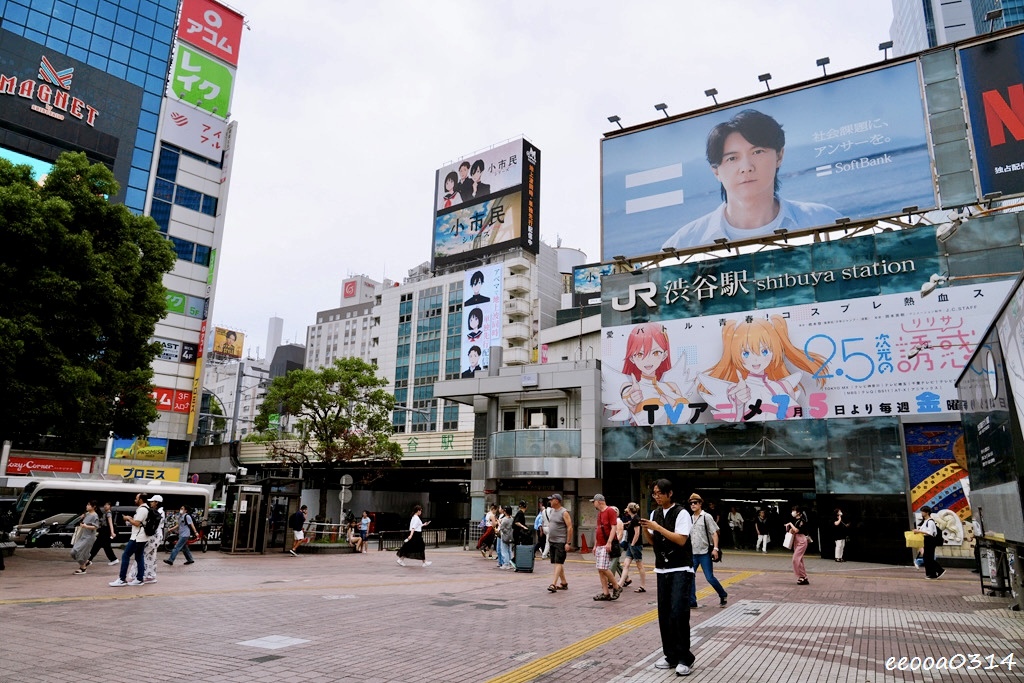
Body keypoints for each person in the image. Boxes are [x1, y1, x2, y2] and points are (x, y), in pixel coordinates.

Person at [662, 108, 840, 250]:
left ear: (779, 156)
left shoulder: (823, 220)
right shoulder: (684, 243)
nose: (746, 167)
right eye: (732, 158)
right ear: (716, 171)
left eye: (757, 152)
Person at [698, 315, 829, 422]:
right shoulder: (736, 390)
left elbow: (795, 418)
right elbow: (735, 425)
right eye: (746, 353)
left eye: (764, 351)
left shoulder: (784, 387)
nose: (755, 360)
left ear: (774, 350)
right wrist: (739, 403)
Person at [641, 478, 696, 677]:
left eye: (659, 493)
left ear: (670, 493)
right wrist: (645, 529)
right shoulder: (655, 513)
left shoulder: (682, 513)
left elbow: (681, 539)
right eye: (654, 494)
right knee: (664, 614)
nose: (656, 497)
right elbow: (652, 541)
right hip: (662, 569)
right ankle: (670, 656)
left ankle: (684, 658)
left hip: (681, 568)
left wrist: (657, 527)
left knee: (678, 612)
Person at [617, 323, 687, 426]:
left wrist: (670, 403)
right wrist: (631, 399)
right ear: (632, 358)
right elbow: (627, 398)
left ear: (665, 355)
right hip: (647, 434)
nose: (648, 360)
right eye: (640, 354)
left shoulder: (672, 386)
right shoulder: (630, 387)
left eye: (656, 353)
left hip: (677, 434)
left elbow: (683, 417)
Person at [687, 494, 728, 608]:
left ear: (700, 504)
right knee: (690, 576)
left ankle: (723, 594)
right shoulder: (689, 519)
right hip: (692, 553)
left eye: (695, 503)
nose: (693, 505)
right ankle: (692, 601)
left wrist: (715, 549)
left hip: (705, 553)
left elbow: (714, 533)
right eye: (691, 503)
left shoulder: (706, 517)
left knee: (709, 577)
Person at [109, 492, 150, 587]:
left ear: (141, 500)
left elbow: (137, 523)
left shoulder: (142, 510)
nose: (135, 500)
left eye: (136, 498)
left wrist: (127, 518)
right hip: (142, 537)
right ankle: (139, 579)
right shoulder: (146, 508)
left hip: (137, 537)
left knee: (125, 555)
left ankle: (122, 579)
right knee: (139, 557)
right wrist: (131, 519)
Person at [128, 494, 164, 584]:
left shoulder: (157, 512)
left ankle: (137, 575)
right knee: (151, 557)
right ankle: (150, 575)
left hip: (153, 537)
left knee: (141, 555)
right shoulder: (160, 511)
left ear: (156, 502)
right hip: (157, 536)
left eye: (152, 501)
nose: (150, 503)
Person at [591, 494, 621, 601]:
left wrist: (609, 542)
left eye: (594, 501)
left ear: (599, 501)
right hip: (600, 544)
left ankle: (616, 586)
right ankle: (605, 592)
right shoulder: (600, 514)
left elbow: (613, 527)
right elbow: (598, 529)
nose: (593, 504)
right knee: (600, 569)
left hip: (606, 543)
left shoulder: (610, 511)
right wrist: (595, 545)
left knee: (603, 568)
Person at [545, 493, 573, 593]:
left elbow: (570, 527)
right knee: (557, 562)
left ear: (557, 501)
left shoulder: (564, 512)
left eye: (551, 500)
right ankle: (564, 583)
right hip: (552, 541)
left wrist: (568, 543)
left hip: (560, 541)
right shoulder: (552, 511)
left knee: (558, 562)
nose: (550, 501)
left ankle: (553, 584)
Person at [619, 502, 647, 593]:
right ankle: (620, 584)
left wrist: (633, 544)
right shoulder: (634, 519)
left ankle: (643, 585)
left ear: (629, 509)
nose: (626, 509)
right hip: (631, 544)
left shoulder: (636, 519)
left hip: (635, 545)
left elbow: (637, 533)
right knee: (626, 564)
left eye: (627, 507)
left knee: (639, 565)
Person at [915, 506, 944, 580]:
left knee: (929, 557)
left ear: (927, 512)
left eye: (923, 511)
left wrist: (919, 531)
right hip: (926, 540)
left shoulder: (930, 522)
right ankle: (931, 573)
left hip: (930, 540)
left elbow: (930, 533)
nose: (921, 513)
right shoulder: (925, 521)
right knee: (927, 558)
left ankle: (938, 570)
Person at [785, 505, 812, 585]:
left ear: (798, 512)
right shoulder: (795, 520)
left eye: (794, 511)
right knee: (799, 559)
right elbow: (793, 530)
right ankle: (803, 577)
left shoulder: (802, 520)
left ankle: (802, 576)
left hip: (801, 540)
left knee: (795, 559)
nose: (792, 512)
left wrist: (790, 524)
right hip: (796, 540)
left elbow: (797, 530)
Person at [71, 500, 99, 574]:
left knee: (80, 552)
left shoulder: (95, 516)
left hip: (89, 537)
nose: (87, 506)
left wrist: (86, 526)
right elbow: (82, 522)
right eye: (87, 504)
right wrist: (82, 518)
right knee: (73, 552)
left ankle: (83, 568)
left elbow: (96, 527)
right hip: (83, 536)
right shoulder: (87, 514)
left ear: (94, 506)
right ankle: (86, 561)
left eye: (89, 505)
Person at [88, 501, 119, 566]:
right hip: (103, 531)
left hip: (105, 531)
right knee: (104, 546)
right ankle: (113, 559)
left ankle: (89, 559)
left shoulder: (109, 513)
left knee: (98, 545)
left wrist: (112, 532)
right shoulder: (105, 513)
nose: (105, 506)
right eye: (105, 505)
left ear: (110, 507)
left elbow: (110, 524)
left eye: (107, 505)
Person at [496, 505, 514, 570]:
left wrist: (499, 522)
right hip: (510, 536)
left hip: (505, 536)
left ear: (505, 512)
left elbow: (502, 528)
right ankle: (510, 563)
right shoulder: (512, 519)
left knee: (504, 550)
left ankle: (506, 564)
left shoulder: (505, 519)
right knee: (509, 550)